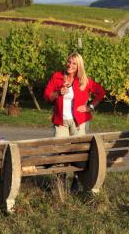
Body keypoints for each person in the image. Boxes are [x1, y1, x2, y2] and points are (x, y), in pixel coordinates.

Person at [44, 52, 105, 190]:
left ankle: (76, 181)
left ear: (79, 66)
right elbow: (47, 96)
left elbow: (100, 92)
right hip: (61, 122)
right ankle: (60, 183)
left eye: (74, 63)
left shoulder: (83, 80)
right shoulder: (57, 77)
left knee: (79, 153)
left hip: (79, 122)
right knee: (60, 151)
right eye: (69, 62)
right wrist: (58, 93)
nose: (70, 65)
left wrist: (90, 107)